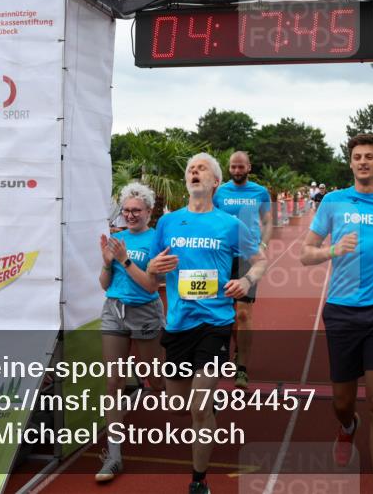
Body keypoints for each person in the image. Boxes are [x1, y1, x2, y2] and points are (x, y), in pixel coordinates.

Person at [298, 134, 373, 494]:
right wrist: (333, 249)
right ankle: (347, 426)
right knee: (342, 402)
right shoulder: (333, 202)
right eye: (356, 157)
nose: (362, 161)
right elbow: (306, 253)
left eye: (369, 157)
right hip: (341, 310)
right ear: (350, 163)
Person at [146, 153, 268, 494]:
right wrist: (155, 267)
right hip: (178, 323)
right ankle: (206, 400)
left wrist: (245, 282)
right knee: (179, 410)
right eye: (190, 169)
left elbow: (259, 261)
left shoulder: (230, 225)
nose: (194, 172)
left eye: (201, 169)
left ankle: (198, 481)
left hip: (215, 321)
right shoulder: (169, 224)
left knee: (199, 410)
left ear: (215, 182)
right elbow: (152, 270)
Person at [94, 182, 166, 483]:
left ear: (149, 212)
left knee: (156, 379)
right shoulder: (116, 238)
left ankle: (196, 404)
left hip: (145, 313)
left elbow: (151, 285)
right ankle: (114, 455)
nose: (130, 215)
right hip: (114, 310)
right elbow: (104, 283)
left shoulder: (156, 240)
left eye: (136, 210)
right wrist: (108, 263)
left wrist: (124, 259)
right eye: (126, 210)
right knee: (113, 382)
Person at [211, 151, 271, 390]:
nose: (236, 171)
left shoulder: (260, 192)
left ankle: (242, 368)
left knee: (243, 314)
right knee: (225, 311)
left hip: (247, 258)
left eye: (240, 167)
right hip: (222, 257)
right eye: (233, 167)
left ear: (249, 167)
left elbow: (267, 222)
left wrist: (263, 245)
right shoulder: (220, 192)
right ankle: (228, 352)